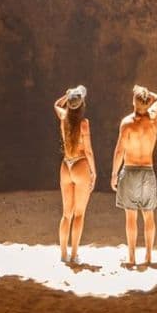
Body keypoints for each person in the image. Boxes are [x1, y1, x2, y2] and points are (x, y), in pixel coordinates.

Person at [110, 84, 157, 266]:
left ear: (133, 102)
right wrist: (146, 92)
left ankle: (131, 257)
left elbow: (119, 151)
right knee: (149, 216)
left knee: (131, 217)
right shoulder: (153, 120)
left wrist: (114, 174)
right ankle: (148, 257)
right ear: (147, 103)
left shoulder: (127, 124)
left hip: (130, 170)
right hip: (147, 170)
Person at [54, 85, 96, 265]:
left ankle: (63, 253)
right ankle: (74, 255)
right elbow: (88, 151)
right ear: (82, 105)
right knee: (79, 215)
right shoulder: (84, 124)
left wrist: (66, 96)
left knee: (66, 215)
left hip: (66, 166)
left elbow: (56, 104)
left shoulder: (63, 117)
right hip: (80, 165)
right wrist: (93, 172)